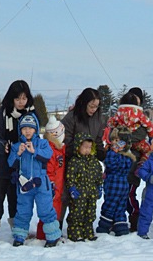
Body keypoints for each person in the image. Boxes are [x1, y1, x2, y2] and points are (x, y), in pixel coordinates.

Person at [0, 80, 35, 243]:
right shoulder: (2, 114)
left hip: (19, 168)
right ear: (11, 99)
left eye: (24, 98)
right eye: (17, 98)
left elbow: (36, 136)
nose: (21, 102)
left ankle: (19, 231)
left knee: (17, 202)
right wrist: (3, 146)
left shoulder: (31, 115)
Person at [7, 112, 62, 248]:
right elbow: (10, 163)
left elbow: (48, 155)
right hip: (24, 184)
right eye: (24, 128)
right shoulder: (16, 146)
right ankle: (19, 236)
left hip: (41, 183)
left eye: (30, 128)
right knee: (23, 210)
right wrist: (18, 153)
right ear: (20, 130)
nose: (27, 131)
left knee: (46, 210)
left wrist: (34, 151)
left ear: (36, 129)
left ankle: (53, 236)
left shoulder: (42, 143)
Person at [103, 89, 153, 232]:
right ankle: (113, 220)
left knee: (129, 195)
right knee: (113, 196)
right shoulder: (117, 121)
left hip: (132, 166)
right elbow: (111, 136)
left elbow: (141, 137)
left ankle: (134, 219)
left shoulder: (141, 124)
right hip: (115, 168)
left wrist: (123, 139)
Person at [60, 88, 105, 225]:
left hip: (88, 165)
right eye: (91, 106)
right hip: (71, 162)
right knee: (64, 196)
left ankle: (80, 226)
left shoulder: (99, 118)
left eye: (96, 107)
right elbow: (64, 139)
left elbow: (97, 141)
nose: (93, 109)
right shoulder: (72, 117)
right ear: (83, 103)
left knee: (84, 198)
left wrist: (102, 153)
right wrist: (79, 150)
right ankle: (57, 225)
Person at [65, 133, 103, 241]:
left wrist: (99, 186)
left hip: (91, 193)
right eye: (85, 147)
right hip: (79, 193)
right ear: (78, 147)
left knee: (90, 213)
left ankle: (88, 231)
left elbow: (99, 175)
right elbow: (70, 177)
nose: (87, 150)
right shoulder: (74, 161)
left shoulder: (94, 162)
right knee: (77, 213)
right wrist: (72, 188)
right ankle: (75, 232)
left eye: (90, 147)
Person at [97, 129, 135, 236]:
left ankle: (105, 228)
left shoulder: (123, 155)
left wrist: (113, 151)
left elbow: (111, 163)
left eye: (117, 140)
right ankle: (120, 229)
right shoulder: (123, 155)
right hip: (120, 185)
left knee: (111, 206)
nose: (114, 143)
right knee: (118, 207)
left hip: (115, 184)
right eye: (113, 140)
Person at [36, 116, 66, 241]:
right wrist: (52, 185)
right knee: (49, 212)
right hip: (51, 188)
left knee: (56, 211)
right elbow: (48, 170)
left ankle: (54, 233)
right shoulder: (50, 150)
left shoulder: (60, 149)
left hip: (58, 188)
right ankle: (43, 235)